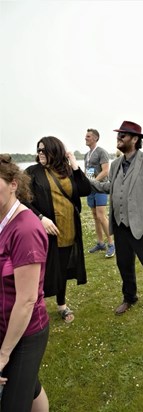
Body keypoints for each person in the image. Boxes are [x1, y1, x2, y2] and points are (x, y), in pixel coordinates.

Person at [90, 121, 143, 326]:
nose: (118, 138)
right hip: (120, 226)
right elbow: (110, 187)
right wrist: (88, 181)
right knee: (124, 265)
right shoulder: (116, 164)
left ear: (135, 139)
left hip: (142, 226)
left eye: (123, 135)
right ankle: (130, 297)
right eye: (119, 135)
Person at [0, 154, 49, 412]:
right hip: (4, 323)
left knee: (12, 404)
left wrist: (3, 354)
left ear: (13, 184)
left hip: (25, 331)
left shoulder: (25, 229)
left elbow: (27, 299)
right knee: (30, 385)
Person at [25, 136, 91, 324]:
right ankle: (34, 306)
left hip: (67, 230)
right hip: (43, 232)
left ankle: (61, 305)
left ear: (55, 150)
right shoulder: (32, 172)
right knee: (37, 272)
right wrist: (40, 218)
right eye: (38, 150)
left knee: (61, 269)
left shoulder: (68, 171)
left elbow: (85, 190)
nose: (40, 153)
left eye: (44, 150)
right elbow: (22, 199)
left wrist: (75, 166)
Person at [84, 128, 115, 258]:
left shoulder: (102, 152)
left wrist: (93, 182)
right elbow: (87, 171)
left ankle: (111, 244)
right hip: (90, 190)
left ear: (95, 138)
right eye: (85, 136)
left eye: (88, 136)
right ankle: (100, 243)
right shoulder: (86, 155)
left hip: (100, 188)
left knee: (102, 216)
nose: (86, 138)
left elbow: (105, 171)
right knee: (95, 216)